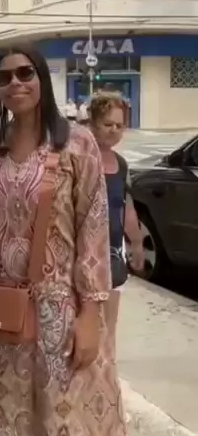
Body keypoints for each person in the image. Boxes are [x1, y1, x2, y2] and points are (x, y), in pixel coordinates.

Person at [0, 48, 141, 436]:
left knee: (71, 433)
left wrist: (91, 313)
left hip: (62, 316)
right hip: (3, 317)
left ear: (42, 78)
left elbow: (94, 230)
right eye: (5, 77)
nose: (15, 83)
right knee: (17, 428)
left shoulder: (76, 145)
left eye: (26, 73)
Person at [88, 92, 145, 348]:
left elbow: (125, 206)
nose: (114, 130)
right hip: (83, 256)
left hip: (112, 255)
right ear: (93, 122)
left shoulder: (120, 164)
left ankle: (106, 368)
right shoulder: (80, 158)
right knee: (85, 328)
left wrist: (136, 243)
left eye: (119, 126)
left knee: (108, 330)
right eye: (107, 124)